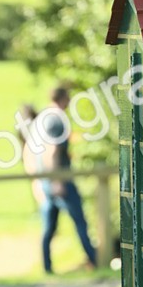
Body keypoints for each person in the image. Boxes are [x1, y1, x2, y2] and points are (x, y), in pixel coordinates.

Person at [36, 87, 97, 274]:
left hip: (47, 179)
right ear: (63, 99)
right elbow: (52, 150)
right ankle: (95, 261)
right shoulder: (57, 119)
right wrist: (57, 180)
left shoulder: (44, 118)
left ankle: (47, 267)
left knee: (49, 227)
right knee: (80, 221)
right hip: (59, 179)